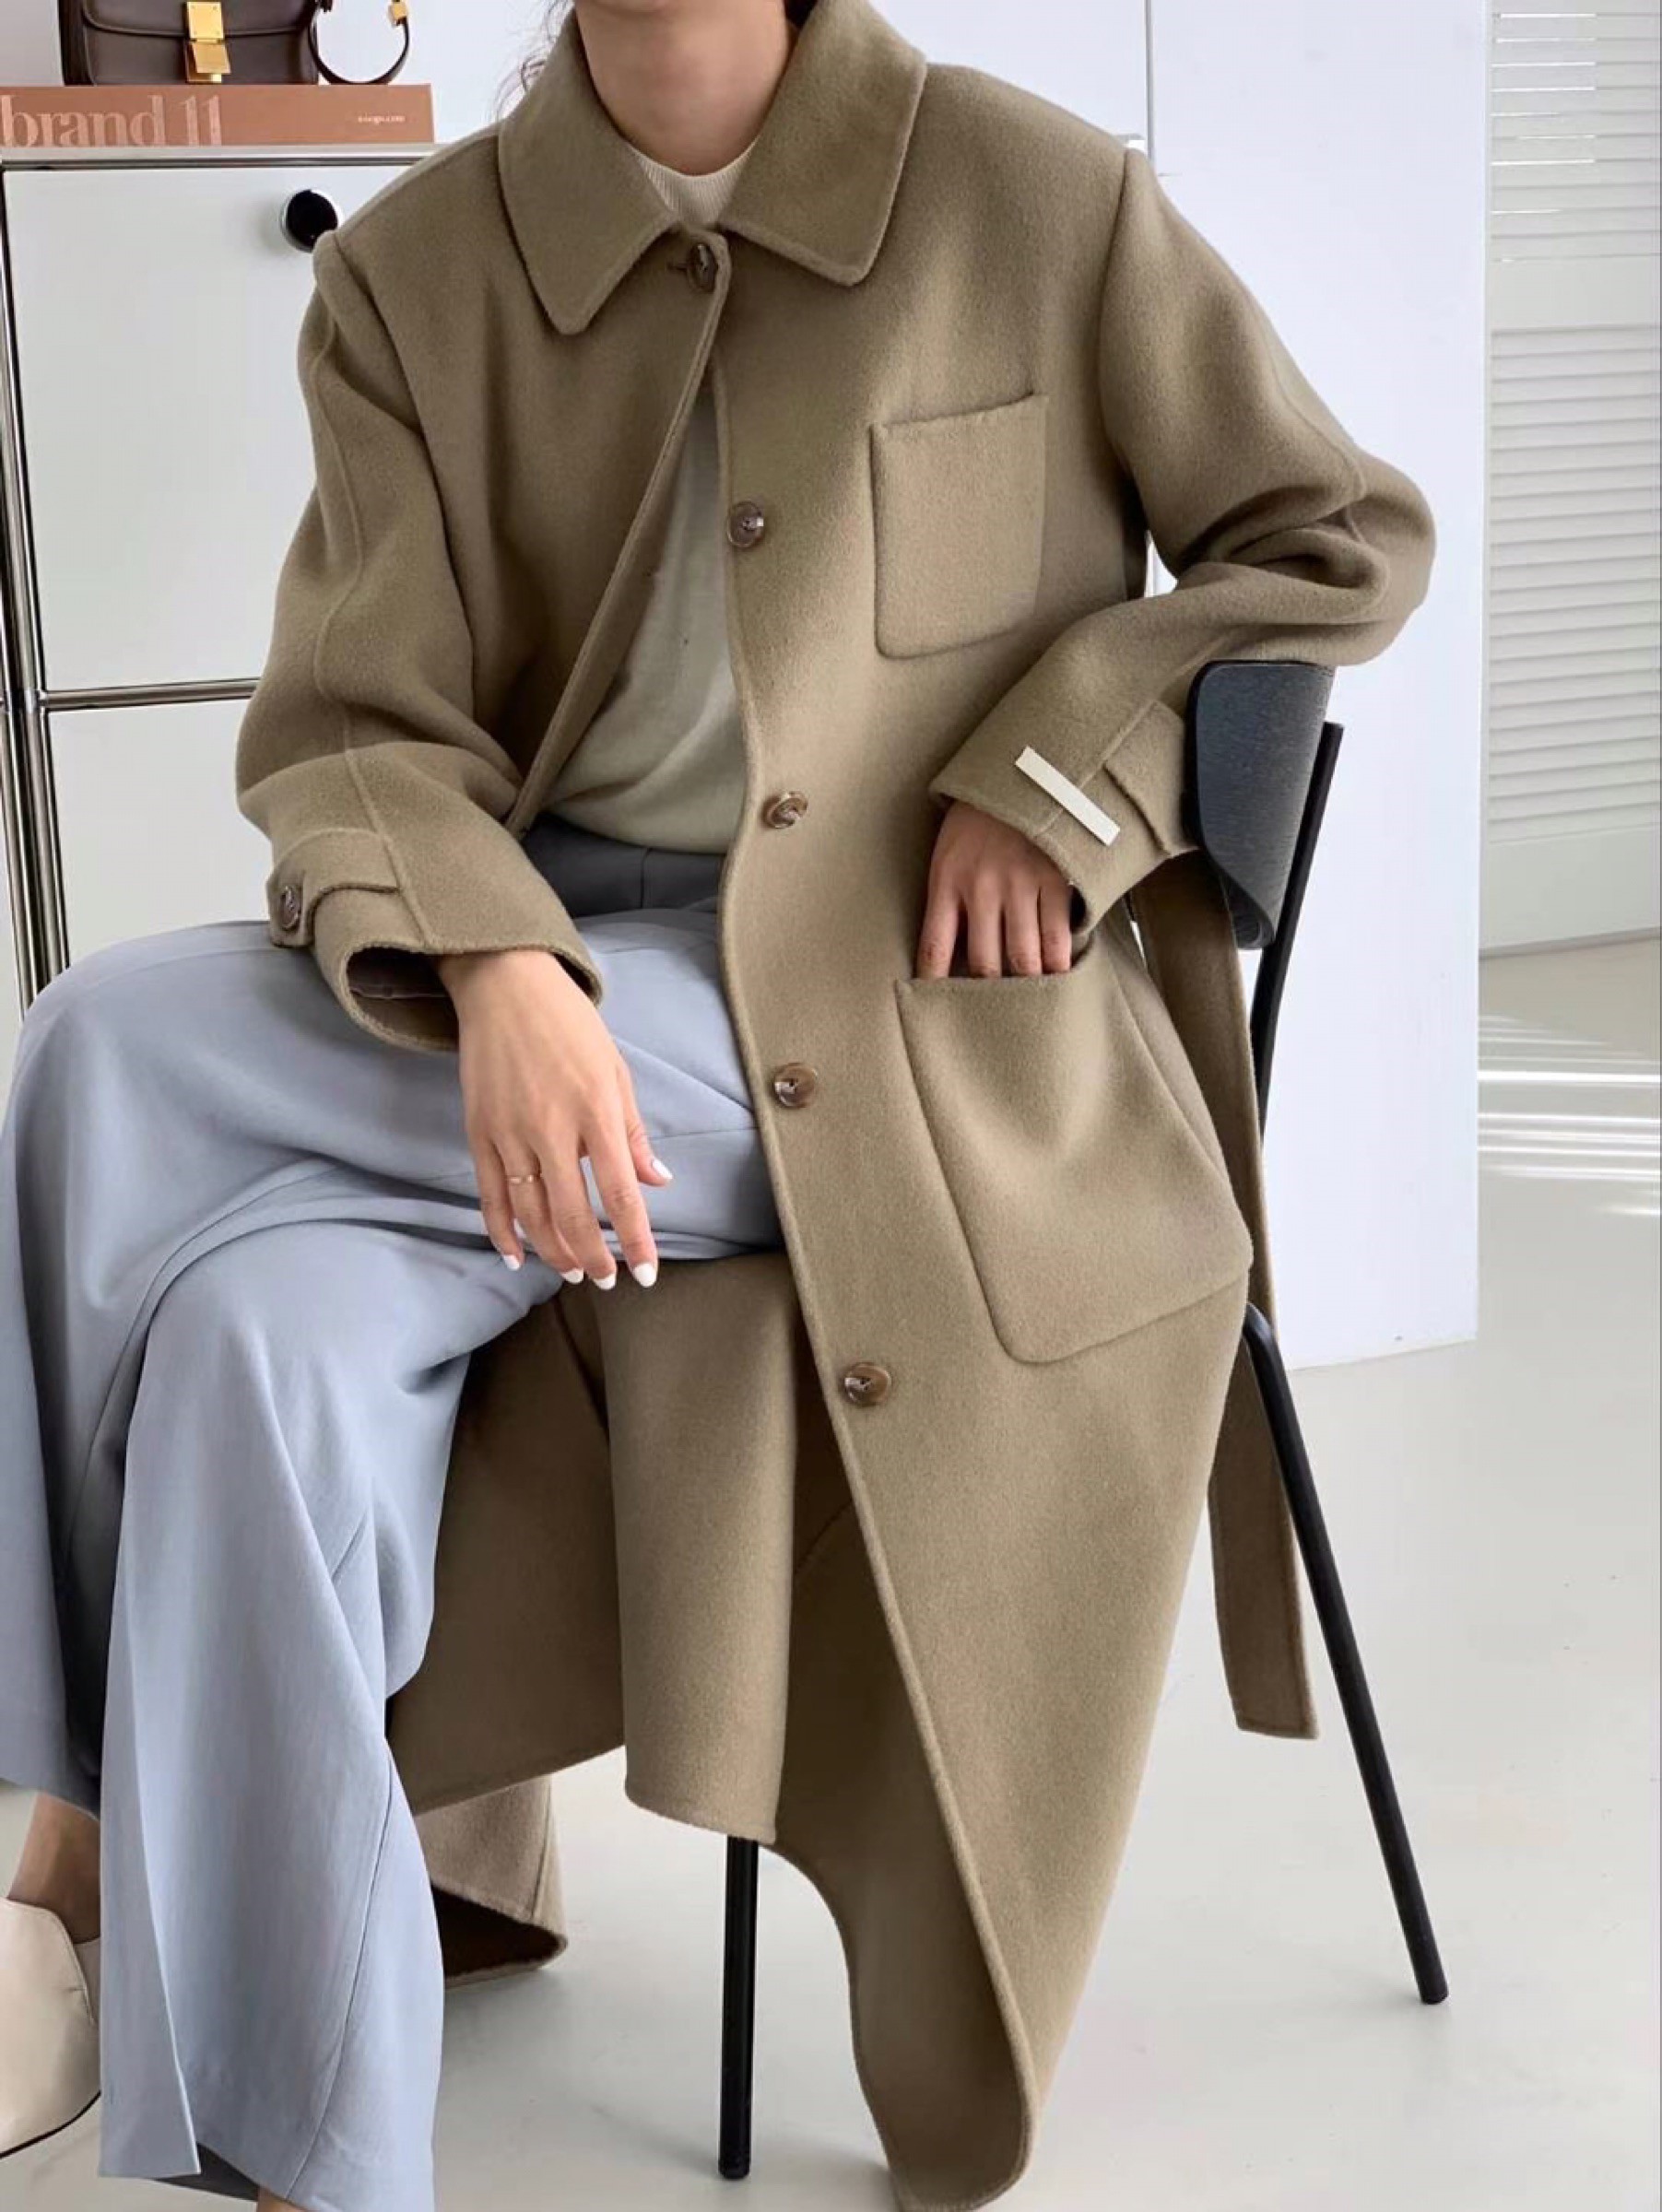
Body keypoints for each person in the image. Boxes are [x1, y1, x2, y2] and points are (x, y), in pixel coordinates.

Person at [0, 0, 1436, 2205]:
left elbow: (1330, 535)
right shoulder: (416, 274)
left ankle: (66, 1858)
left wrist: (1060, 768)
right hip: (538, 1008)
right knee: (237, 1342)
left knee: (92, 1050)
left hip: (894, 1025)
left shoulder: (1030, 196)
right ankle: (309, 2144)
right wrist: (494, 962)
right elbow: (357, 717)